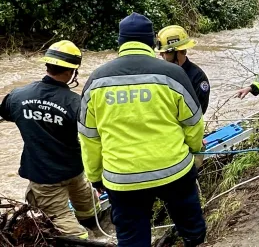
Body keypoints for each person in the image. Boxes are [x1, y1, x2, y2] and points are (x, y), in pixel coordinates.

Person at [78, 13, 206, 246]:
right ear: (151, 43)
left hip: (122, 178)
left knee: (132, 238)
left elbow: (89, 136)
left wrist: (96, 176)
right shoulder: (173, 74)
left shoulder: (96, 80)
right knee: (191, 225)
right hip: (173, 170)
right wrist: (195, 150)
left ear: (120, 43)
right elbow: (194, 123)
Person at [0, 41, 98, 240]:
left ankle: (86, 238)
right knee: (90, 210)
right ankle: (95, 234)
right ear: (72, 72)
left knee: (62, 218)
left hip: (43, 176)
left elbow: (6, 114)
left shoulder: (18, 96)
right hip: (74, 171)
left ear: (47, 65)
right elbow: (91, 135)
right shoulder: (75, 103)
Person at [155, 25, 210, 114]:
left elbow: (197, 113)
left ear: (179, 51)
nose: (161, 55)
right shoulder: (160, 74)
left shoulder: (197, 77)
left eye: (165, 52)